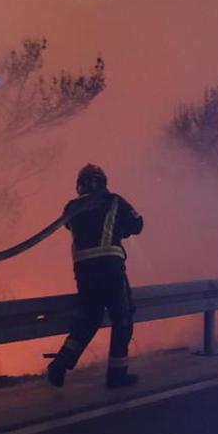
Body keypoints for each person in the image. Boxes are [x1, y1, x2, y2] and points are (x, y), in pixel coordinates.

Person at [47, 163, 144, 389]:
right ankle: (117, 375)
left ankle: (60, 364)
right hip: (110, 267)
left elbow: (74, 227)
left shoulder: (71, 207)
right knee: (122, 319)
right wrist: (121, 229)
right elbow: (137, 224)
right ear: (103, 182)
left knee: (89, 319)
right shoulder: (115, 201)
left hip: (84, 271)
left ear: (80, 185)